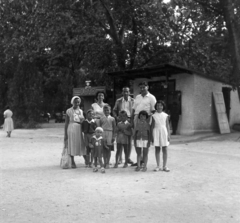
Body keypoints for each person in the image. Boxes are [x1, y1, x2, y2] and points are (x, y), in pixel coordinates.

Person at [131, 81, 156, 166]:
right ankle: (139, 159)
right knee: (137, 137)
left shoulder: (151, 97)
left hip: (146, 118)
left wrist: (148, 120)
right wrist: (132, 119)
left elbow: (153, 110)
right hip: (136, 118)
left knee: (145, 138)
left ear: (147, 87)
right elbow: (134, 109)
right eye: (140, 87)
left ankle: (143, 160)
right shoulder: (137, 97)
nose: (142, 89)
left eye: (143, 87)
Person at [113, 87, 134, 165]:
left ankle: (127, 158)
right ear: (122, 92)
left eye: (127, 91)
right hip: (121, 120)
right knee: (121, 139)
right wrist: (116, 117)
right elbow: (114, 110)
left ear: (129, 92)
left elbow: (134, 111)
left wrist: (132, 120)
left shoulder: (132, 100)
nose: (125, 93)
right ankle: (120, 159)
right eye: (124, 91)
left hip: (129, 120)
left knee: (129, 140)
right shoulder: (118, 101)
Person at [64, 96, 86, 168]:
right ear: (72, 102)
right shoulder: (68, 111)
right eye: (75, 102)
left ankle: (86, 159)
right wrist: (65, 134)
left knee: (80, 143)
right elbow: (66, 123)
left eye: (78, 102)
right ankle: (72, 161)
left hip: (78, 128)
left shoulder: (81, 111)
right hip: (71, 128)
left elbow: (82, 120)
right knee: (71, 144)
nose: (77, 103)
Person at [151, 100, 170, 172]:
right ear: (156, 106)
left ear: (163, 106)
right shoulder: (153, 116)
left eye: (161, 105)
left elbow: (167, 126)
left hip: (164, 132)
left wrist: (168, 135)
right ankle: (158, 166)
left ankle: (165, 166)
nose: (159, 107)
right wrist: (152, 136)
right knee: (157, 149)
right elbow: (152, 126)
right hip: (156, 131)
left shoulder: (165, 115)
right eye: (158, 105)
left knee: (165, 148)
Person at [100, 104, 116, 169]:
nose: (106, 111)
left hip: (110, 133)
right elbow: (100, 127)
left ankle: (107, 163)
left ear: (110, 111)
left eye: (108, 110)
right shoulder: (101, 118)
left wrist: (114, 136)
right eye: (105, 110)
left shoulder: (112, 119)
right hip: (103, 133)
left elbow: (114, 128)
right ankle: (104, 162)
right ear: (103, 111)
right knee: (104, 148)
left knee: (108, 149)